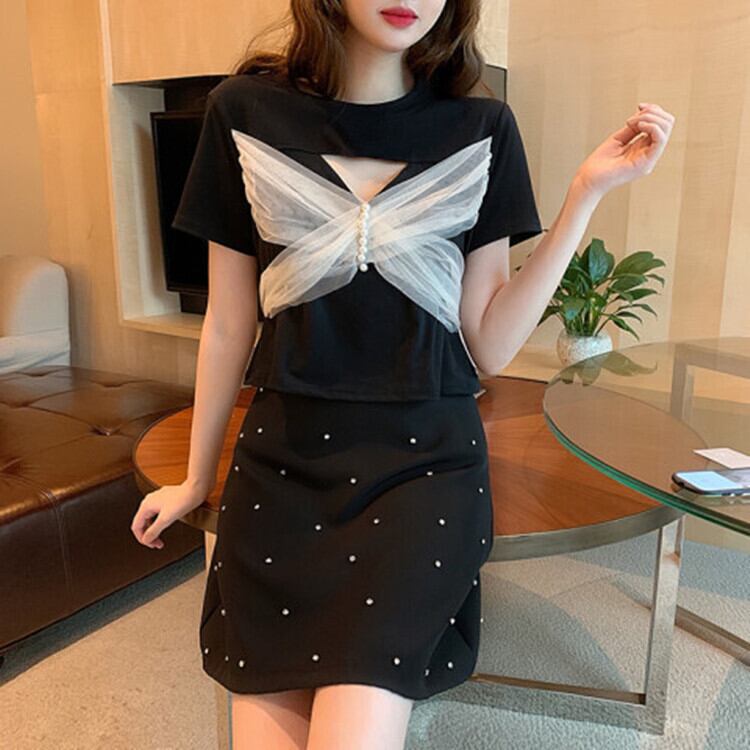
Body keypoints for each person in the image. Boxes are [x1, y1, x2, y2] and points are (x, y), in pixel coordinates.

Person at [130, 1, 675, 748]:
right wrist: (196, 479)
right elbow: (228, 324)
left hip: (425, 470)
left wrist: (586, 193)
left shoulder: (481, 128)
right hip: (284, 465)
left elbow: (490, 344)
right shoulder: (243, 111)